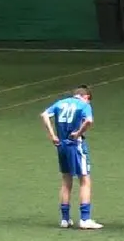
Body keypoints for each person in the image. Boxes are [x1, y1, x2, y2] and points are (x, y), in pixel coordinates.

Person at [41, 86, 101, 230]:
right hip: (75, 145)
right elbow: (89, 121)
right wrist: (79, 133)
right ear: (86, 97)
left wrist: (52, 135)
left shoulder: (60, 103)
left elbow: (44, 115)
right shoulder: (84, 105)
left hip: (61, 144)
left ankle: (65, 219)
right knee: (85, 180)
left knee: (66, 181)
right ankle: (85, 219)